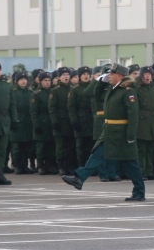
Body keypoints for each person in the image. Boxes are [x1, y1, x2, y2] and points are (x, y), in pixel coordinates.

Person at [62, 63, 146, 201]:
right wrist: (100, 82)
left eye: (111, 74)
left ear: (119, 76)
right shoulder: (111, 89)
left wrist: (131, 135)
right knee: (96, 155)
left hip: (121, 132)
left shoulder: (127, 91)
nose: (109, 76)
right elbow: (91, 94)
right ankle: (79, 179)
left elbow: (133, 114)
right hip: (108, 130)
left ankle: (139, 192)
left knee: (131, 163)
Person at [135, 66, 154, 180]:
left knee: (150, 150)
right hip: (141, 123)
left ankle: (149, 171)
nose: (147, 76)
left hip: (153, 123)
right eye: (145, 74)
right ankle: (141, 172)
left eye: (149, 74)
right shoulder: (137, 90)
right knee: (141, 150)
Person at [50, 67, 76, 175]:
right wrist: (55, 122)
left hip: (70, 121)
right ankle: (61, 166)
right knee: (60, 146)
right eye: (63, 74)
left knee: (70, 146)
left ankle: (69, 166)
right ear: (59, 77)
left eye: (67, 74)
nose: (66, 76)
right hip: (60, 122)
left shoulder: (73, 89)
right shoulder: (55, 91)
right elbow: (52, 108)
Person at [68, 66, 95, 169]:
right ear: (80, 76)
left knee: (91, 145)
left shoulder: (93, 87)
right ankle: (81, 165)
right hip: (80, 119)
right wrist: (74, 122)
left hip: (91, 119)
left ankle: (90, 167)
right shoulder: (75, 90)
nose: (86, 76)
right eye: (84, 74)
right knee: (80, 146)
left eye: (88, 74)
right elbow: (71, 107)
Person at [31, 72, 56, 174]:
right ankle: (40, 166)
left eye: (49, 80)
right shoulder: (36, 94)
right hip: (41, 122)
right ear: (40, 82)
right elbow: (33, 112)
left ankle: (50, 165)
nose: (47, 83)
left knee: (51, 146)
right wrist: (36, 125)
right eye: (45, 81)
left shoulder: (53, 92)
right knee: (41, 147)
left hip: (50, 122)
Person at [10, 72, 34, 174]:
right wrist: (13, 121)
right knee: (16, 146)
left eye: (25, 79)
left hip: (27, 122)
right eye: (21, 79)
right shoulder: (13, 92)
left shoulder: (30, 93)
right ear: (16, 81)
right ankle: (17, 165)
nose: (23, 81)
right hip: (17, 121)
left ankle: (25, 166)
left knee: (26, 145)